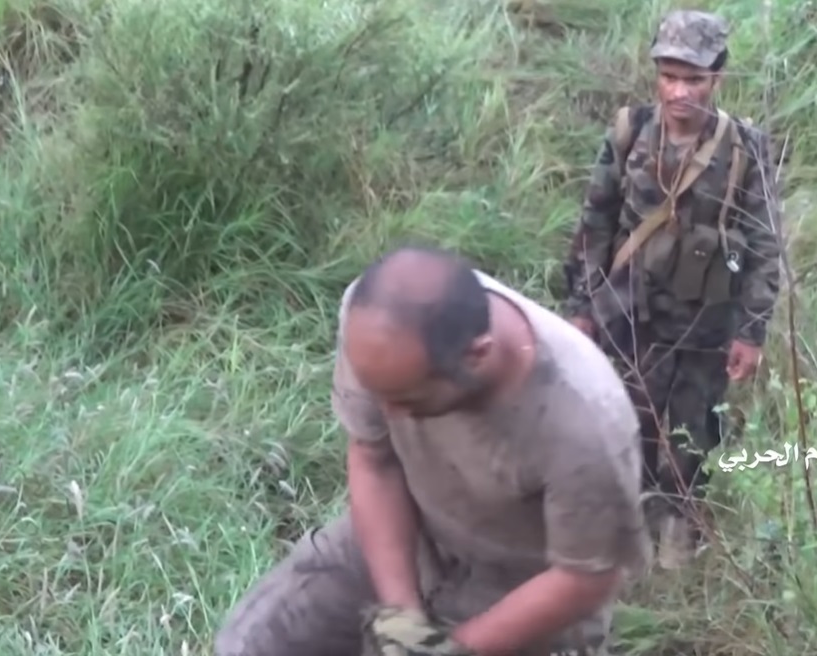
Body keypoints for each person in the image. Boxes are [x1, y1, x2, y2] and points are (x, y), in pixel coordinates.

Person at [214, 245, 653, 656]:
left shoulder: (584, 425)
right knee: (250, 644)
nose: (387, 412)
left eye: (407, 399)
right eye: (377, 393)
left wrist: (452, 648)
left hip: (521, 587)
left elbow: (585, 578)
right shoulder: (376, 333)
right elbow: (373, 458)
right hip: (413, 530)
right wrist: (401, 616)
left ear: (476, 356)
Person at [562, 10, 784, 569]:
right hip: (630, 316)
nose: (679, 91)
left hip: (705, 323)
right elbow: (595, 223)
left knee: (690, 438)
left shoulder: (745, 147)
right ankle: (624, 550)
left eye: (695, 79)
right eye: (669, 76)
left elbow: (765, 247)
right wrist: (581, 308)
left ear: (718, 78)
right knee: (625, 427)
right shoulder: (629, 131)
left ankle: (677, 551)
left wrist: (751, 333)